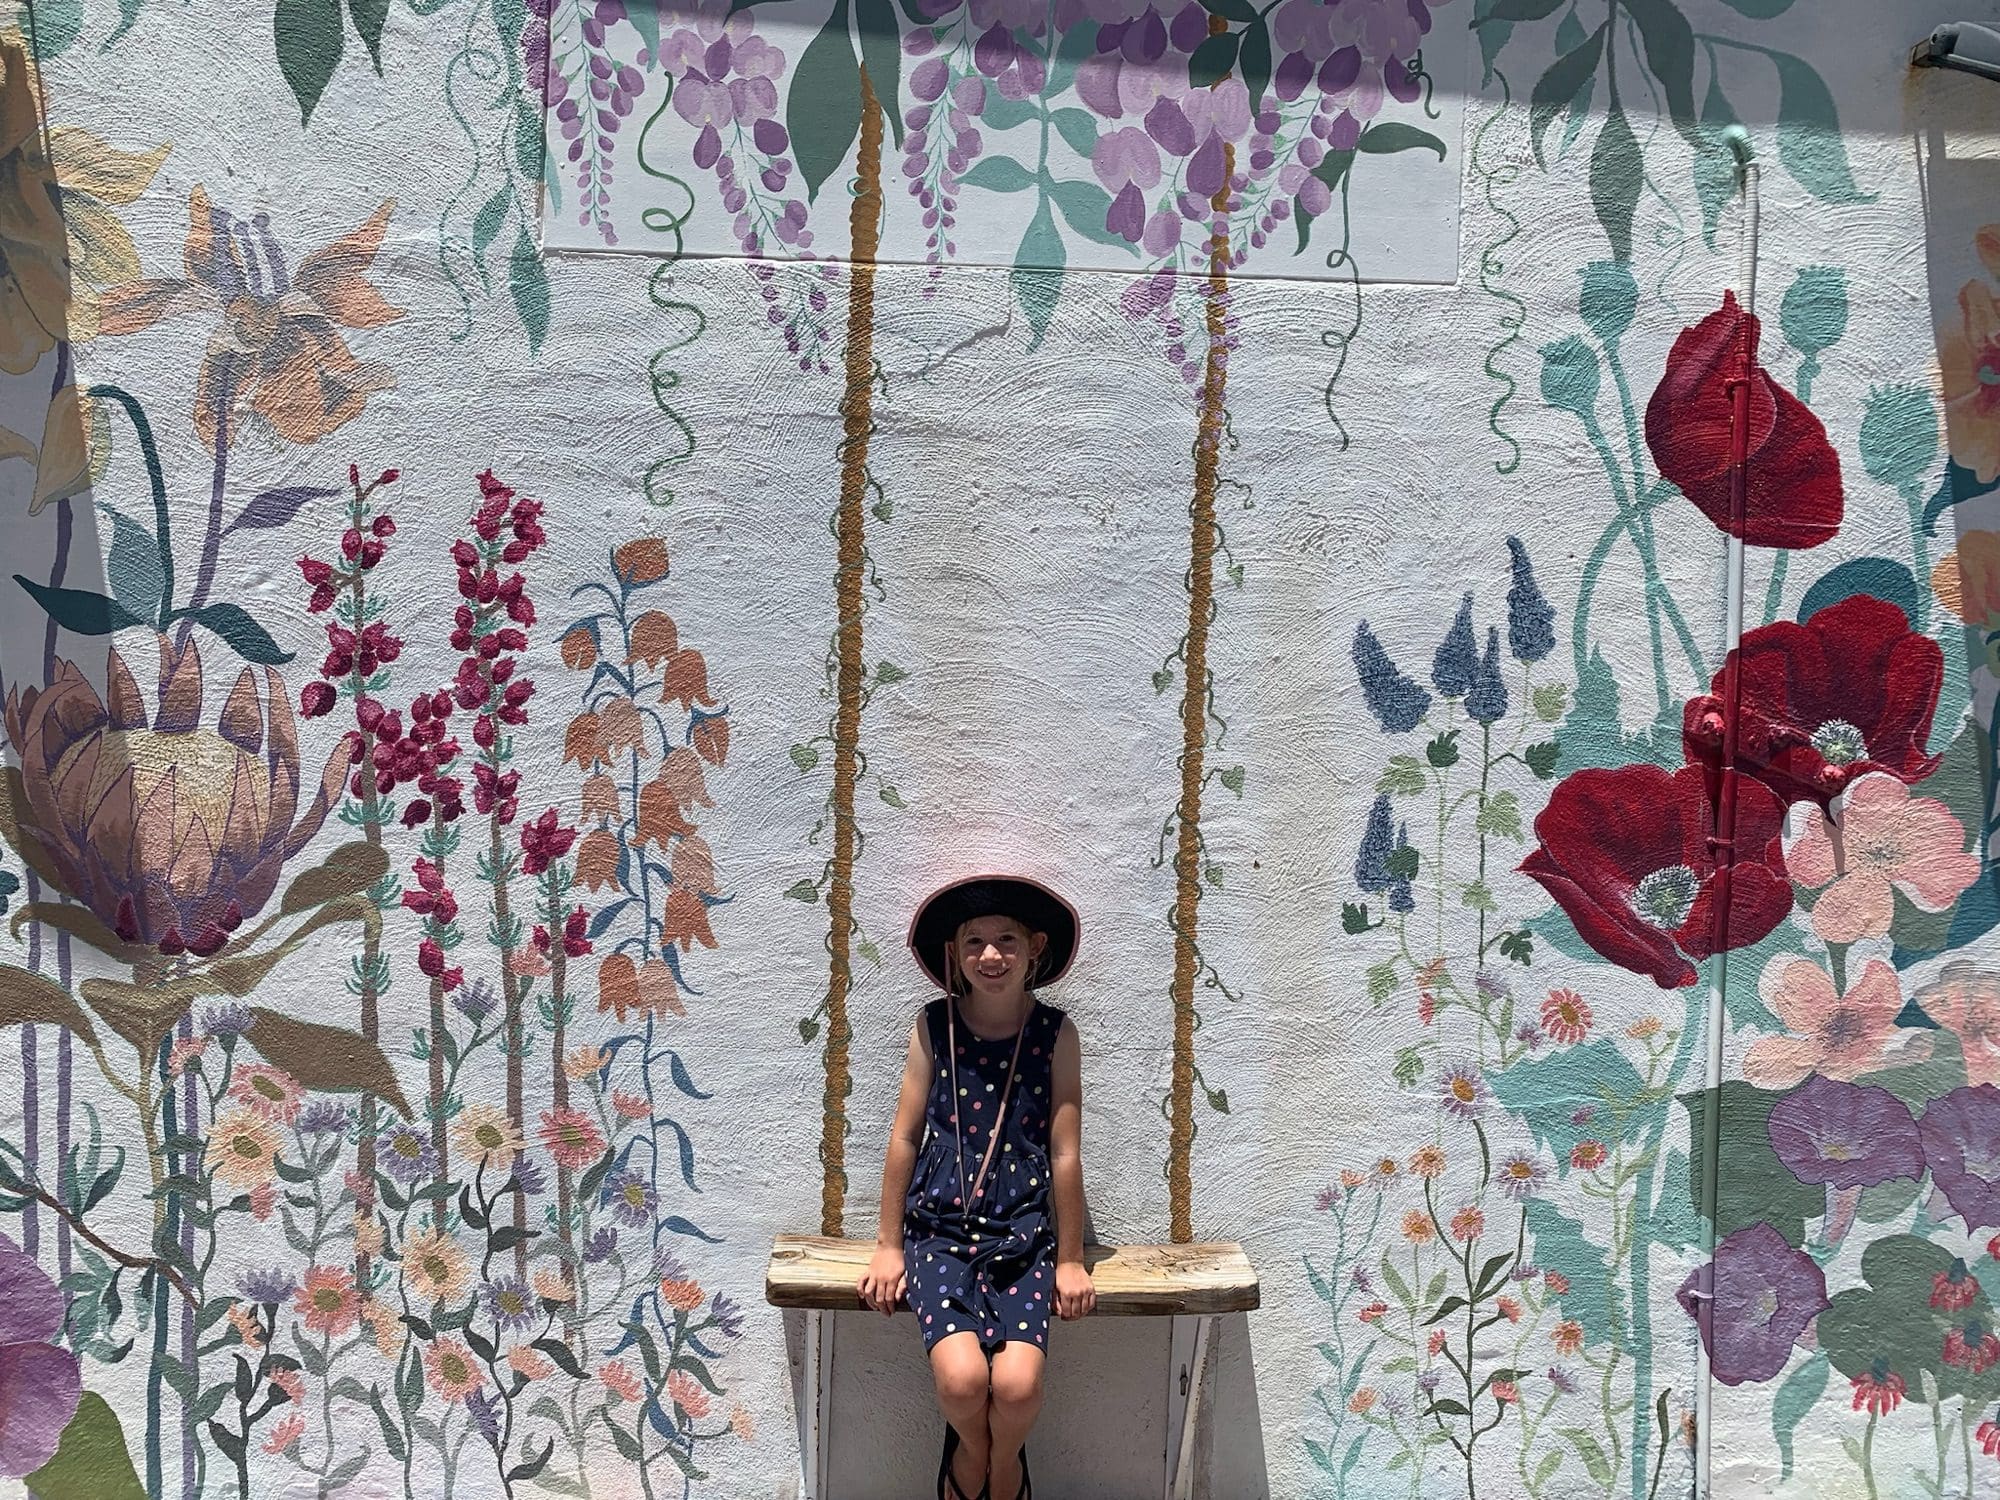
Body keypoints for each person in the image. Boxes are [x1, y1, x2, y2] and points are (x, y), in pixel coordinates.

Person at [857, 874, 1097, 1500]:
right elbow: (905, 1136)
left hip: (1022, 1237)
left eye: (1006, 940)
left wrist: (1070, 1259)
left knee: (1017, 1387)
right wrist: (888, 1244)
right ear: (954, 953)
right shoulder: (933, 1026)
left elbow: (1064, 1151)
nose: (991, 955)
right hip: (938, 1233)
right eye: (975, 942)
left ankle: (1005, 1460)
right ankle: (972, 1448)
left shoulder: (1055, 1035)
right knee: (962, 1382)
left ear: (1034, 947)